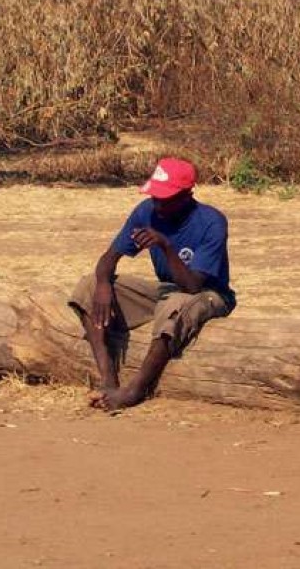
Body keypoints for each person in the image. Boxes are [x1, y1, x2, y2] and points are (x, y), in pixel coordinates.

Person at [68, 157, 235, 410]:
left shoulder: (211, 222)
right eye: (155, 196)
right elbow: (108, 259)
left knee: (176, 304)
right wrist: (103, 284)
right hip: (168, 289)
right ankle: (109, 381)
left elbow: (192, 286)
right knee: (87, 286)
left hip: (209, 293)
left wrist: (165, 246)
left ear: (186, 195)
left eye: (164, 198)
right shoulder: (146, 211)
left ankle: (135, 391)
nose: (157, 203)